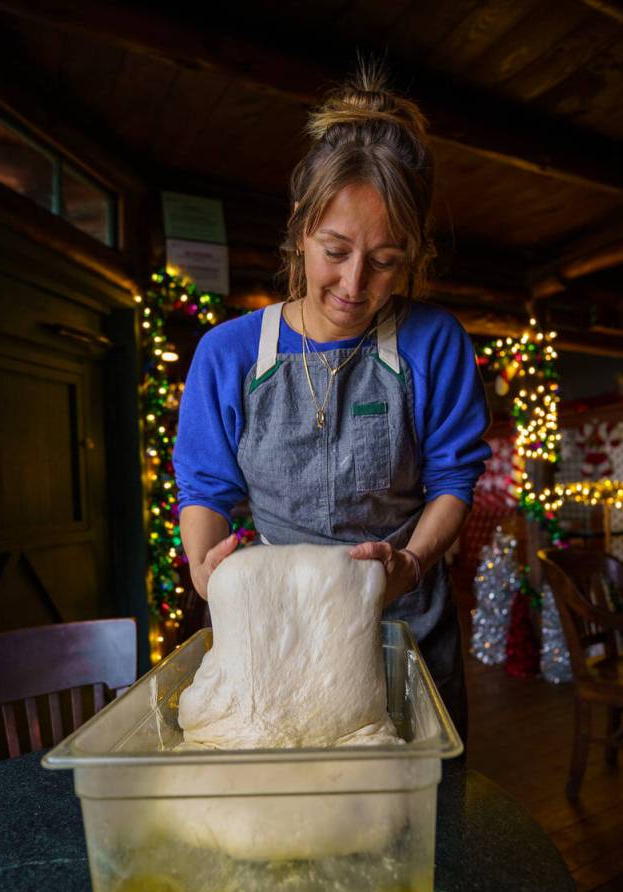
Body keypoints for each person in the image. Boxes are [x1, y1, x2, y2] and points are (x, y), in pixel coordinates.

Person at [172, 60, 491, 744]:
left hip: (405, 635)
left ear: (413, 254)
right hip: (270, 643)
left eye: (385, 260)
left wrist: (409, 563)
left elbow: (454, 478)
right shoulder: (228, 355)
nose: (354, 283)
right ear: (300, 226)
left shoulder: (432, 343)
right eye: (335, 250)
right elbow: (205, 485)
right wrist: (205, 568)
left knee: (411, 830)